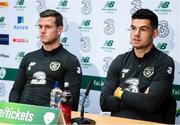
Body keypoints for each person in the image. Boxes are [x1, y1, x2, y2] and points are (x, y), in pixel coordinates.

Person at [100, 8, 176, 124]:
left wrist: (120, 94)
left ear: (154, 33)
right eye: (133, 28)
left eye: (143, 29)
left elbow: (151, 103)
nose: (136, 34)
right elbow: (104, 103)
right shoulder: (119, 60)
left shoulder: (164, 62)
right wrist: (140, 98)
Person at [9, 9, 82, 111]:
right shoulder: (28, 57)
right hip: (23, 115)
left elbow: (71, 102)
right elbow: (15, 91)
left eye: (48, 27)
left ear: (59, 30)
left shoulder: (70, 60)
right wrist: (14, 112)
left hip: (48, 118)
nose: (42, 31)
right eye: (40, 26)